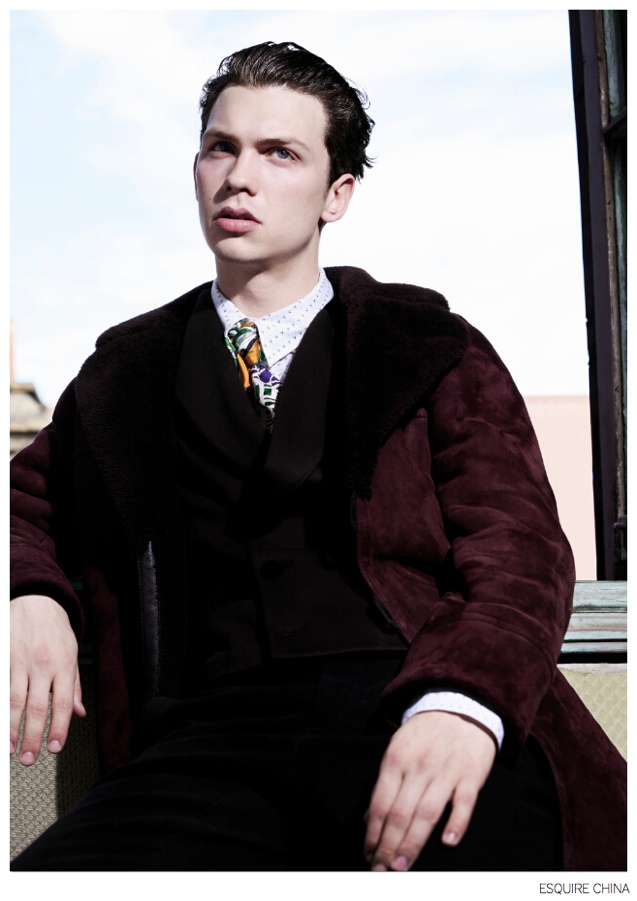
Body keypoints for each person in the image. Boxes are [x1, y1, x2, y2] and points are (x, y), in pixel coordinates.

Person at [10, 41, 626, 872]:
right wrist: (30, 592)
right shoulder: (125, 373)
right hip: (208, 741)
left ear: (337, 193)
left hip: (412, 703)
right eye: (221, 147)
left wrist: (461, 702)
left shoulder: (426, 346)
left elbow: (521, 550)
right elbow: (21, 504)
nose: (239, 177)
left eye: (279, 153)